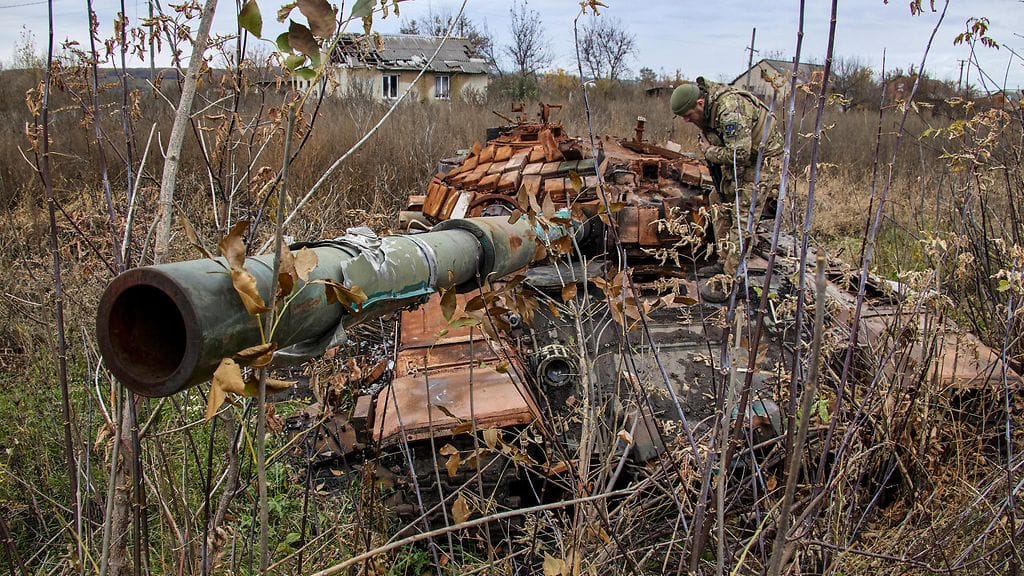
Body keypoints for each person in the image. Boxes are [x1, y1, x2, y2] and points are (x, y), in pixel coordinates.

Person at [670, 77, 784, 290]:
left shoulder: (729, 108)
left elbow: (739, 152)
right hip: (744, 158)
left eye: (688, 115)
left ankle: (732, 279)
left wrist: (709, 151)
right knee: (718, 200)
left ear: (700, 104)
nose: (686, 121)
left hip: (763, 159)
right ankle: (724, 262)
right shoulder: (708, 111)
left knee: (743, 214)